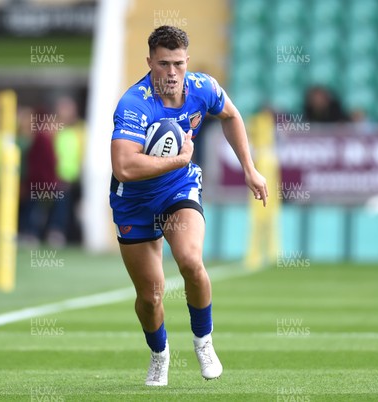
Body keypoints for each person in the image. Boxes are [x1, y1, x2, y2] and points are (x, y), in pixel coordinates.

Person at [109, 25, 268, 386]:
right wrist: (179, 161)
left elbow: (230, 115)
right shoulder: (134, 103)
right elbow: (125, 166)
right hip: (134, 200)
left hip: (177, 190)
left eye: (178, 64)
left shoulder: (202, 88)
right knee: (150, 298)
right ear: (149, 61)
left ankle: (204, 342)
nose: (171, 73)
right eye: (163, 64)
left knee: (191, 262)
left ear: (187, 61)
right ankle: (159, 354)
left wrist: (250, 168)